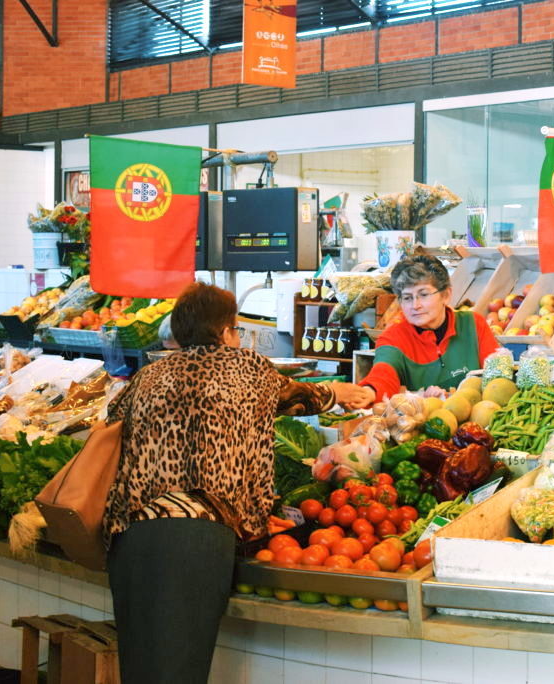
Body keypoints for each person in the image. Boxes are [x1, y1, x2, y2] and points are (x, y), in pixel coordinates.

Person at [102, 282, 367, 684]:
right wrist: (340, 394)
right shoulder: (250, 370)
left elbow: (111, 420)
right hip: (200, 536)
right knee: (182, 665)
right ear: (226, 331)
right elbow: (300, 396)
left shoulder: (148, 376)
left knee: (138, 663)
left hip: (132, 534)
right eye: (236, 328)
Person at [347, 253, 499, 406]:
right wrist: (369, 391)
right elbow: (383, 374)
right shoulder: (393, 338)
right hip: (422, 425)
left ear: (446, 295)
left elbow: (496, 377)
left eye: (423, 295)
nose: (415, 305)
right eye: (407, 298)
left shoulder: (473, 324)